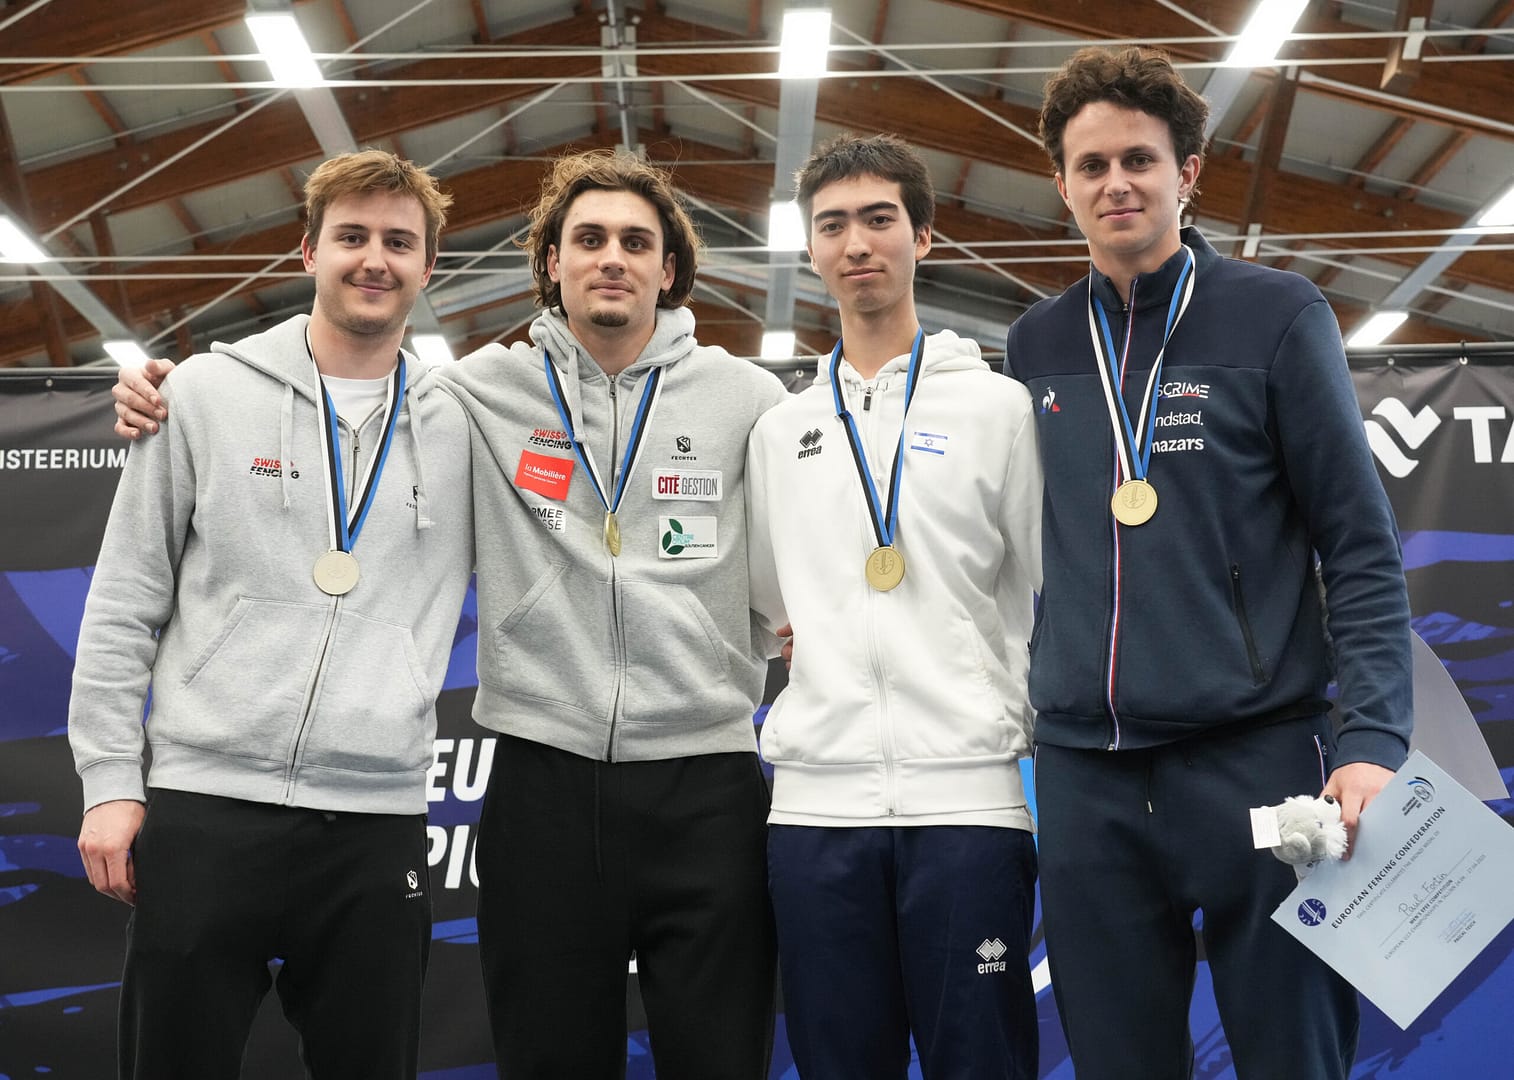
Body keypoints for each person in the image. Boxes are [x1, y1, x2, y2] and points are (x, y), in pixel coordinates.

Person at [114, 149, 786, 1079]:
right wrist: (157, 387)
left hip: (707, 776)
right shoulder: (475, 392)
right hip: (542, 781)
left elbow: (805, 539)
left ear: (669, 269)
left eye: (637, 242)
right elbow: (338, 375)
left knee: (723, 1059)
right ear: (550, 260)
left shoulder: (752, 401)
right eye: (587, 238)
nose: (612, 259)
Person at [1003, 46, 1413, 1079]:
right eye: (1089, 166)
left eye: (1138, 160)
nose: (1115, 184)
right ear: (1059, 183)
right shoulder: (1034, 346)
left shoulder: (1275, 318)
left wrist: (1368, 740)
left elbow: (1357, 547)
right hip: (1086, 780)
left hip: (1258, 762)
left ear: (1187, 172)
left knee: (1290, 1058)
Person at [70, 150, 474, 1079]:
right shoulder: (203, 395)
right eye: (353, 237)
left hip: (374, 825)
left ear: (428, 267)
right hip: (207, 807)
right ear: (307, 252)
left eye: (399, 243)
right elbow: (125, 600)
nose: (375, 259)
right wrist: (108, 780)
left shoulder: (466, 423)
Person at [745, 133, 1042, 1079]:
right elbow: (763, 600)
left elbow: (1048, 592)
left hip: (971, 802)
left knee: (981, 1060)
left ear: (924, 236)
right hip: (814, 812)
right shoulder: (780, 429)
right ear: (812, 250)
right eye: (832, 226)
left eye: (880, 220)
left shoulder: (999, 409)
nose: (857, 244)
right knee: (839, 1063)